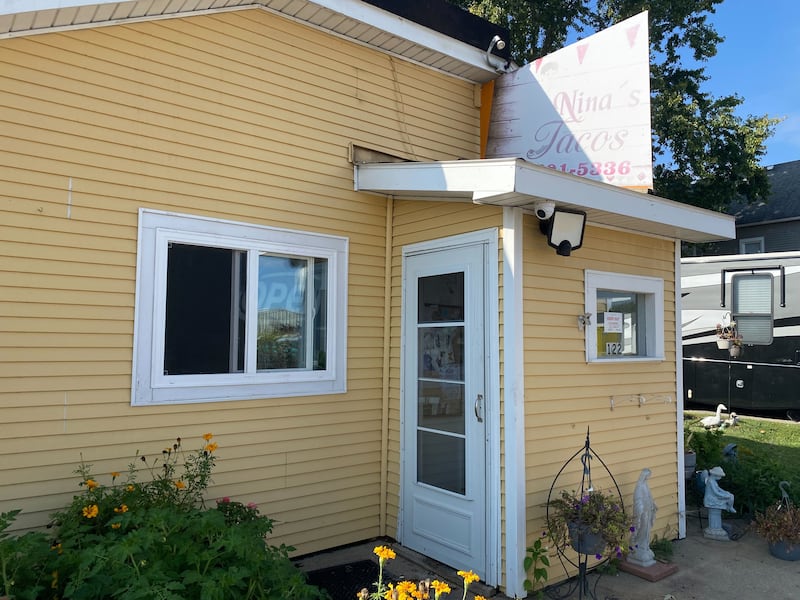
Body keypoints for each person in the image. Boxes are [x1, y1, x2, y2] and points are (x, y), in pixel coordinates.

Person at [629, 468, 656, 565]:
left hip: (648, 510)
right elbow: (637, 500)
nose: (648, 478)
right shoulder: (639, 486)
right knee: (642, 528)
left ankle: (644, 546)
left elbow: (649, 496)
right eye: (647, 476)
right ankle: (638, 545)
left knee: (647, 529)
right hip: (642, 512)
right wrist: (640, 509)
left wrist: (653, 504)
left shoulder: (645, 484)